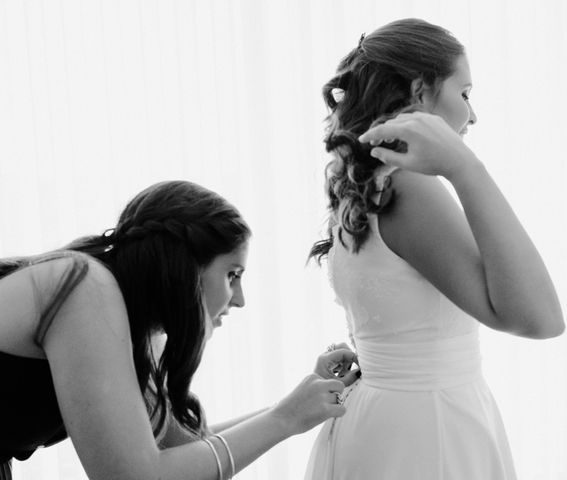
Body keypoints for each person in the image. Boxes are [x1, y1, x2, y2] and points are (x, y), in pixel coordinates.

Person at [305, 18, 565, 479]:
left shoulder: (363, 184)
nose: (473, 114)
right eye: (464, 93)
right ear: (421, 91)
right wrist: (467, 168)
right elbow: (539, 318)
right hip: (429, 427)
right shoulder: (411, 189)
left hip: (379, 419)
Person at [0, 180, 359, 480]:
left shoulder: (131, 322)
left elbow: (182, 450)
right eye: (232, 275)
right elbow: (136, 476)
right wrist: (285, 419)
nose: (240, 300)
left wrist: (296, 405)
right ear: (184, 269)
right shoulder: (84, 288)